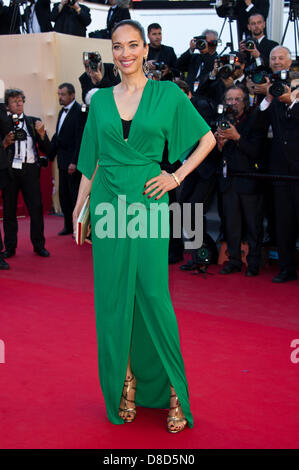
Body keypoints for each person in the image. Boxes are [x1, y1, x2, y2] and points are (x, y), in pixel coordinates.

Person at [73, 19, 215, 432]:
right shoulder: (99, 100)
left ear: (146, 50)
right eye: (118, 46)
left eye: (133, 45)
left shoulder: (167, 94)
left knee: (153, 295)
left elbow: (207, 138)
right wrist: (81, 208)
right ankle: (126, 382)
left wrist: (177, 175)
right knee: (115, 298)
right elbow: (92, 160)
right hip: (107, 206)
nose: (125, 53)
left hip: (149, 205)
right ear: (112, 51)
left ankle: (173, 389)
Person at [255, 46, 299, 283]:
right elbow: (258, 123)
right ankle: (286, 268)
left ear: (290, 61)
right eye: (273, 58)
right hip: (279, 169)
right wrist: (269, 98)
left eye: (281, 57)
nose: (277, 61)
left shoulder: (298, 86)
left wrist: (291, 100)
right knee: (283, 222)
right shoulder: (268, 90)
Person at [214, 85, 265, 276]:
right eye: (229, 99)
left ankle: (253, 263)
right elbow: (218, 155)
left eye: (237, 99)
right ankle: (233, 260)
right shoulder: (223, 121)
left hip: (249, 181)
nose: (233, 103)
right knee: (231, 225)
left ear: (245, 102)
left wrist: (237, 137)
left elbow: (256, 152)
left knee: (253, 226)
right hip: (228, 182)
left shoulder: (253, 120)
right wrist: (219, 145)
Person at [2, 88, 51, 259]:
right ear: (7, 106)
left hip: (30, 169)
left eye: (20, 100)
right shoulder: (3, 124)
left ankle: (39, 245)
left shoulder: (33, 122)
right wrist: (5, 143)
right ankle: (10, 247)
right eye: (14, 101)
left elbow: (48, 149)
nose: (18, 103)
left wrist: (43, 135)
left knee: (36, 209)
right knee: (9, 211)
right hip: (10, 171)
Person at [49, 83, 84, 236]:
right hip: (62, 161)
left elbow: (80, 139)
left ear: (72, 95)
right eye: (58, 94)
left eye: (62, 94)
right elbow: (58, 136)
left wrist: (75, 161)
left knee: (75, 194)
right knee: (63, 194)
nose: (60, 97)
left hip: (73, 162)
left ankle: (79, 226)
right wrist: (49, 155)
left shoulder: (79, 111)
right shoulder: (60, 112)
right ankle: (68, 225)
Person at [177, 30, 218, 95]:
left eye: (211, 43)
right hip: (189, 96)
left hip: (206, 99)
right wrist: (191, 49)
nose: (207, 46)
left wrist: (205, 53)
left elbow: (209, 66)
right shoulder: (194, 58)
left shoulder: (218, 60)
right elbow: (178, 65)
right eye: (204, 43)